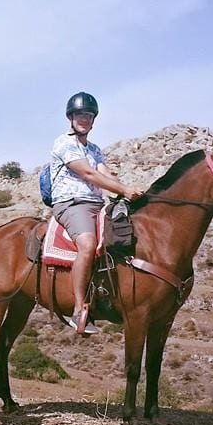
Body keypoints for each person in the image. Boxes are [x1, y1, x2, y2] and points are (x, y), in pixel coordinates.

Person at [50, 92, 143, 335]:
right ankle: (79, 309)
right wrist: (122, 189)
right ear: (70, 117)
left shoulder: (94, 149)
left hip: (96, 204)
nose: (84, 119)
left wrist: (129, 191)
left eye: (89, 115)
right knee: (88, 244)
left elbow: (104, 174)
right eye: (80, 114)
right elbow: (89, 175)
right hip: (71, 204)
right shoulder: (63, 143)